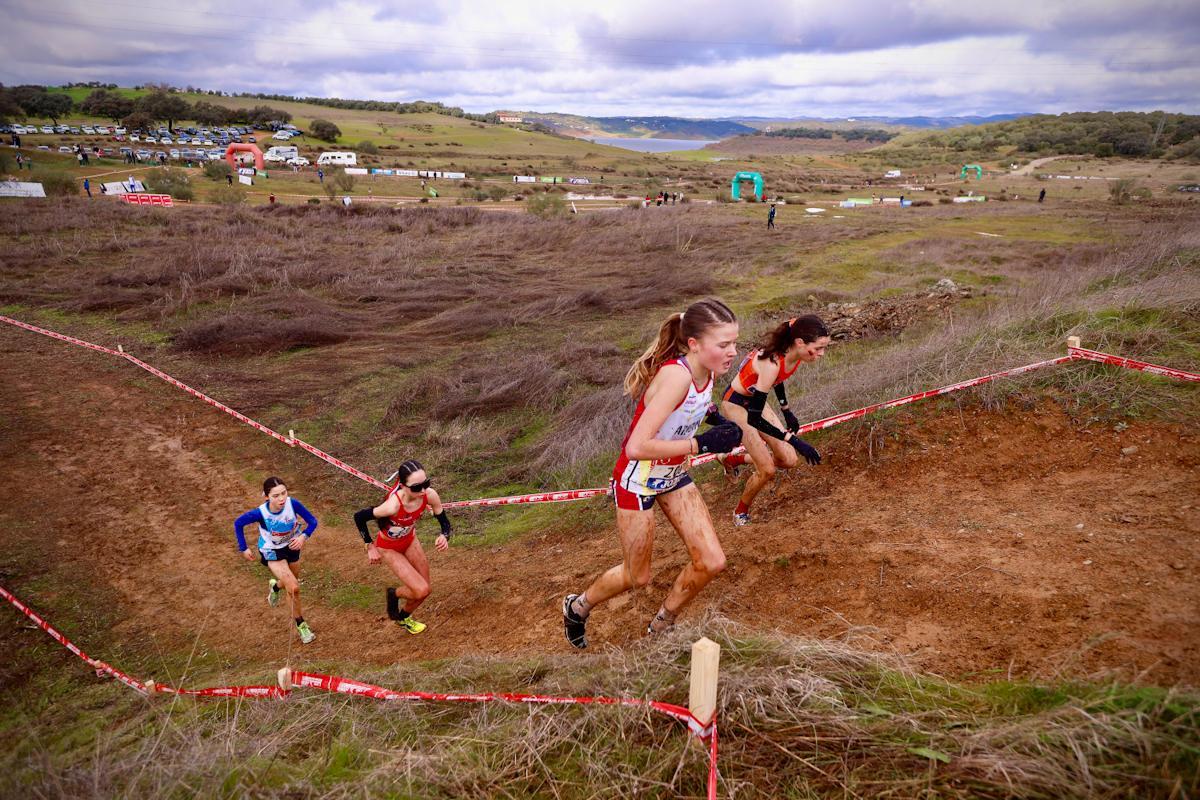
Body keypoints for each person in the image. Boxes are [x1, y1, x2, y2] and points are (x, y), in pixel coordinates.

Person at [563, 299, 744, 648]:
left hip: (673, 475)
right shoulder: (676, 376)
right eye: (723, 344)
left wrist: (713, 418)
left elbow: (691, 404)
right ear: (694, 344)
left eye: (734, 342)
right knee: (638, 575)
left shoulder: (706, 371)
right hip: (637, 480)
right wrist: (702, 444)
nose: (732, 351)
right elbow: (636, 447)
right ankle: (577, 606)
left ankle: (660, 627)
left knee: (712, 561)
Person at [717, 316, 830, 526]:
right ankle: (740, 512)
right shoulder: (771, 362)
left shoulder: (793, 354)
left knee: (789, 460)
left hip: (755, 400)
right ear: (800, 343)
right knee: (767, 469)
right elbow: (754, 417)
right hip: (736, 404)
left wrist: (787, 410)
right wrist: (795, 441)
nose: (822, 354)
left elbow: (777, 380)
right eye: (819, 348)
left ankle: (732, 460)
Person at [352, 460, 451, 634]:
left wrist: (445, 535)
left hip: (410, 541)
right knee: (421, 590)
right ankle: (394, 594)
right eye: (416, 487)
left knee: (425, 590)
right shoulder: (392, 505)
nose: (422, 491)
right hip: (388, 548)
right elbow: (359, 517)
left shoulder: (430, 495)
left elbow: (443, 520)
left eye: (425, 484)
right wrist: (370, 546)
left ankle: (403, 618)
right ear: (403, 486)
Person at [233, 476, 319, 644]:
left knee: (288, 583)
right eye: (276, 496)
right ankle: (301, 625)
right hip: (271, 551)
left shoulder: (293, 504)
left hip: (292, 547)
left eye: (284, 493)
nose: (281, 499)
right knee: (294, 588)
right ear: (266, 497)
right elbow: (238, 523)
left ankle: (275, 586)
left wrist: (303, 537)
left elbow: (312, 522)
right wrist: (243, 548)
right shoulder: (260, 513)